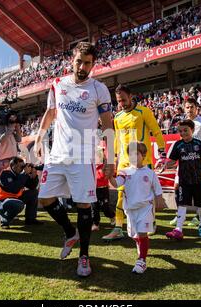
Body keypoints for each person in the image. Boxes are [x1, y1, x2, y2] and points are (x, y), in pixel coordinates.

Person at [33, 42, 114, 277]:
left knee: (83, 205)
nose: (82, 66)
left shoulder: (99, 89)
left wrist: (110, 158)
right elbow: (50, 113)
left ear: (93, 64)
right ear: (72, 60)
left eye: (87, 63)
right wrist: (39, 138)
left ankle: (84, 256)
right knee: (45, 198)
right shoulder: (58, 84)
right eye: (79, 61)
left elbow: (108, 125)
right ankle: (70, 232)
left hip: (82, 157)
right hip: (57, 154)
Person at [102, 84, 165, 241]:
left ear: (131, 96)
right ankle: (118, 228)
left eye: (123, 100)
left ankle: (151, 223)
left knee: (145, 195)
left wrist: (162, 153)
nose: (121, 104)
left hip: (143, 161)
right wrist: (115, 158)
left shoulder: (144, 112)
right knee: (120, 195)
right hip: (124, 162)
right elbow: (116, 139)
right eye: (118, 101)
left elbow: (156, 131)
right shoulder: (117, 117)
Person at [106, 142, 164, 274]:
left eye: (136, 154)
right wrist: (110, 177)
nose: (133, 156)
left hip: (146, 208)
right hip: (130, 209)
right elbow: (116, 184)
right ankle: (140, 243)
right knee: (134, 235)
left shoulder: (150, 173)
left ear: (143, 155)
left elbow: (157, 189)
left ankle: (141, 261)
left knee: (143, 233)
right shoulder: (124, 172)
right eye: (130, 154)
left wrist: (160, 200)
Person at [160, 120, 201, 240]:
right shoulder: (178, 145)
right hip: (184, 181)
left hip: (198, 180)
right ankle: (178, 229)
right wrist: (165, 165)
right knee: (182, 204)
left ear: (192, 130)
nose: (183, 133)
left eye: (185, 130)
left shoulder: (199, 143)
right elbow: (172, 161)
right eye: (180, 131)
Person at [169, 98, 201, 228]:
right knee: (177, 186)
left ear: (196, 108)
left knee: (198, 191)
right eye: (187, 107)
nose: (189, 109)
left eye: (192, 107)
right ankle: (179, 216)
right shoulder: (182, 123)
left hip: (197, 163)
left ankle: (198, 218)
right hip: (184, 161)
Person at [0, 157, 40, 228]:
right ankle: (3, 219)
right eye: (21, 166)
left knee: (33, 193)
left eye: (24, 166)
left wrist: (34, 176)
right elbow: (14, 189)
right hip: (0, 201)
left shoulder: (21, 175)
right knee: (18, 204)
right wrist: (24, 174)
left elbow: (32, 186)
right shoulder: (5, 173)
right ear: (13, 166)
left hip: (15, 199)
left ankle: (31, 219)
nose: (23, 168)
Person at [0, 110, 22, 177]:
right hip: (3, 162)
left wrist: (17, 128)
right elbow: (1, 141)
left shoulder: (9, 127)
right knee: (4, 186)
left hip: (14, 160)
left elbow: (19, 139)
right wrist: (11, 127)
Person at [92, 146, 115, 232]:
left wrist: (104, 164)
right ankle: (95, 224)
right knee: (94, 207)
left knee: (105, 207)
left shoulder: (105, 166)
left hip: (103, 189)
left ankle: (112, 216)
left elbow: (105, 175)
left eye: (99, 155)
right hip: (94, 190)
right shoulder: (91, 165)